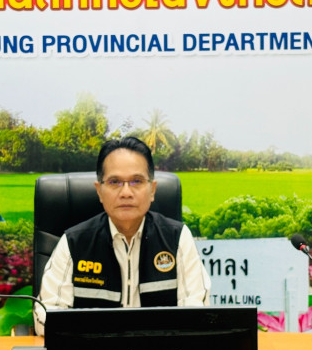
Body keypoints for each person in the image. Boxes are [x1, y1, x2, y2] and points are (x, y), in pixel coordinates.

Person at [35, 136, 210, 335]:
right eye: (115, 182)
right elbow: (45, 318)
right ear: (99, 191)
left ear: (152, 190)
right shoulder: (74, 242)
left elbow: (196, 313)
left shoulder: (177, 238)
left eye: (137, 181)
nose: (126, 192)